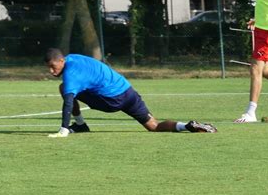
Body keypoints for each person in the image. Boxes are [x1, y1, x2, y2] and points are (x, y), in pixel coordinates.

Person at [44, 48, 217, 138]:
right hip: (127, 90)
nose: (52, 71)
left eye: (53, 66)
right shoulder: (73, 57)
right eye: (49, 68)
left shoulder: (70, 75)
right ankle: (187, 126)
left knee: (64, 89)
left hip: (111, 100)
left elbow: (68, 101)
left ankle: (79, 126)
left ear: (62, 60)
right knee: (153, 126)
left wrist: (63, 130)